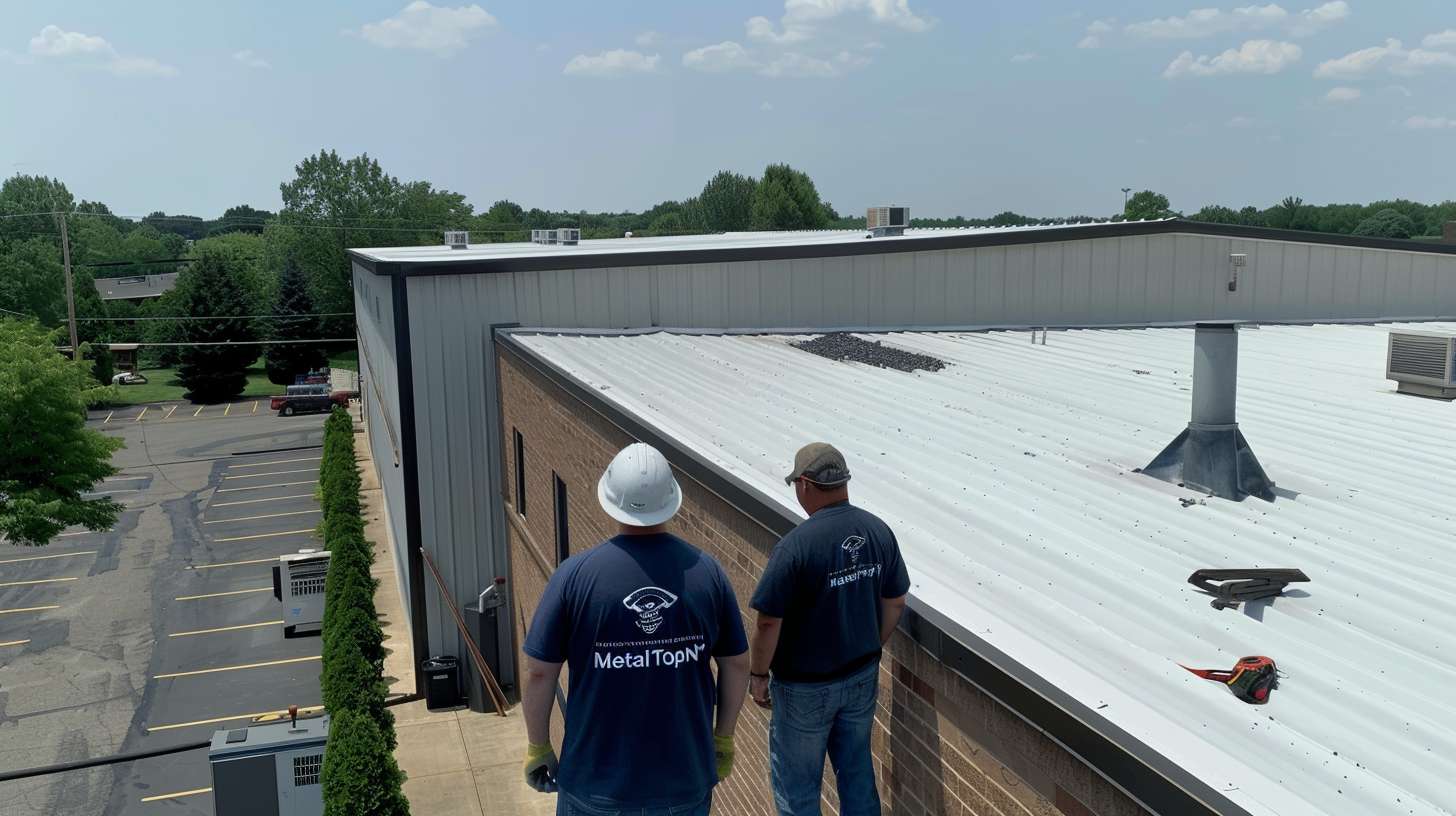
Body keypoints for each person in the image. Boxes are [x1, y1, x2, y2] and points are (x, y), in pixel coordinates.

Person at [521, 442, 751, 816]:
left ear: (609, 499)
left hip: (595, 785)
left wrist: (538, 746)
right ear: (671, 499)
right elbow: (737, 665)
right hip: (684, 781)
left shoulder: (574, 576)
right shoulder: (707, 574)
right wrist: (722, 739)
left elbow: (539, 673)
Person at [748, 443, 910, 816]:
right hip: (860, 678)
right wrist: (870, 643)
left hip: (804, 689)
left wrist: (758, 675)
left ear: (805, 483)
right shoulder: (877, 531)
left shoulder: (795, 547)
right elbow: (896, 601)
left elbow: (769, 621)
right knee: (856, 773)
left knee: (798, 789)